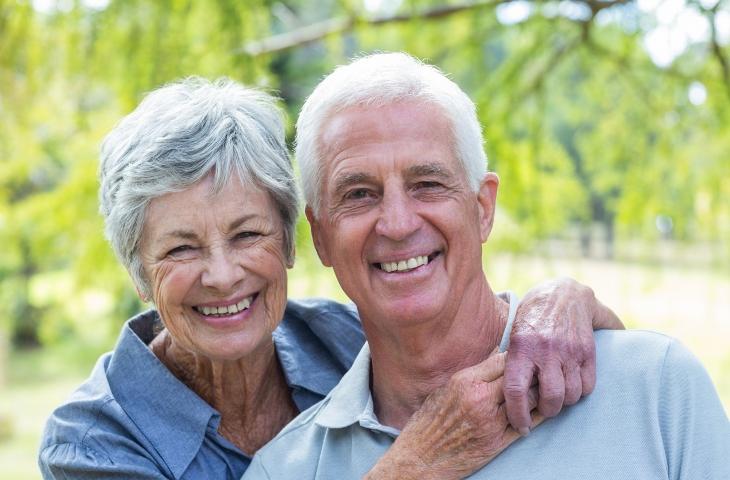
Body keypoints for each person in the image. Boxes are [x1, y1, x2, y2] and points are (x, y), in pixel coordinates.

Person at [39, 77, 620, 480]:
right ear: (139, 272)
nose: (221, 275)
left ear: (293, 242)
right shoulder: (92, 443)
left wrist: (561, 301)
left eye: (247, 235)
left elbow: (523, 348)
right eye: (182, 248)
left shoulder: (346, 338)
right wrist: (415, 465)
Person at [243, 52, 730, 479]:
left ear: (483, 209)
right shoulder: (283, 469)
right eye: (359, 194)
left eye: (427, 184)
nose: (395, 223)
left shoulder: (656, 388)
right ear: (322, 235)